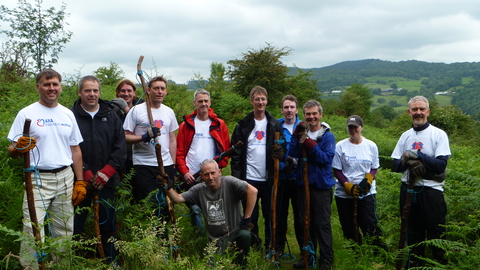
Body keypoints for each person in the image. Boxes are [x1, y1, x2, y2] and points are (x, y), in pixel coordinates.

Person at [7, 68, 84, 268]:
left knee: (64, 229)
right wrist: (18, 146)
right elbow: (11, 150)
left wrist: (80, 180)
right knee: (33, 228)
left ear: (60, 86)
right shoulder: (27, 113)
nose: (51, 88)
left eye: (55, 84)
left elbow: (75, 150)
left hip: (65, 177)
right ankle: (30, 266)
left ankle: (62, 266)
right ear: (38, 87)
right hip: (37, 177)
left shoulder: (68, 114)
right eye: (47, 84)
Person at [71, 75, 127, 264]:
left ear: (99, 92)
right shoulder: (71, 116)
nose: (92, 94)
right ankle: (76, 261)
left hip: (107, 182)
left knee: (108, 223)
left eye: (95, 90)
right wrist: (86, 173)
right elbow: (68, 148)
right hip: (80, 181)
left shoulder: (111, 116)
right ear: (80, 92)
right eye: (87, 90)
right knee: (76, 223)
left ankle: (111, 261)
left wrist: (106, 173)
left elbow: (120, 148)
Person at [162, 159, 258, 267]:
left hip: (235, 234)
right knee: (210, 266)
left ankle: (241, 264)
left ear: (219, 172)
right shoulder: (199, 189)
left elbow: (253, 191)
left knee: (245, 235)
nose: (210, 177)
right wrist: (168, 187)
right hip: (215, 241)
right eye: (206, 174)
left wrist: (246, 218)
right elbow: (177, 199)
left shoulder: (230, 182)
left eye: (213, 173)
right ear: (201, 176)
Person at [391, 96, 450, 268]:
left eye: (422, 109)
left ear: (428, 112)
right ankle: (415, 266)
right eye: (415, 109)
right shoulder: (405, 136)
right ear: (409, 112)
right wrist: (408, 162)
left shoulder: (438, 134)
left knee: (436, 235)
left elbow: (440, 166)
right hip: (408, 191)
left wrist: (418, 156)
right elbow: (395, 165)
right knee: (413, 236)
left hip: (432, 192)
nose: (418, 113)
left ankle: (439, 265)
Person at [230, 86, 284, 252]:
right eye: (257, 99)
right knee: (250, 216)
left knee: (270, 214)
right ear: (251, 101)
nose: (260, 102)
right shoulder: (243, 125)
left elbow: (282, 149)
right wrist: (238, 180)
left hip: (268, 178)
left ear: (267, 101)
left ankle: (270, 246)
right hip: (249, 179)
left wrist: (280, 153)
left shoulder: (274, 124)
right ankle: (254, 245)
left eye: (263, 99)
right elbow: (236, 155)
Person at [289, 100, 335, 270]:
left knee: (321, 224)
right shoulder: (302, 131)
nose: (311, 117)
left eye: (314, 113)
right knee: (305, 223)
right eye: (308, 114)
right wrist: (296, 136)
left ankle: (326, 261)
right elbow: (292, 153)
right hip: (303, 185)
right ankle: (308, 257)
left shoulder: (327, 136)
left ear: (320, 115)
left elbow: (325, 159)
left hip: (321, 187)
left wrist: (308, 142)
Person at [123, 76, 178, 218]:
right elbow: (125, 137)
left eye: (162, 88)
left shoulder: (169, 112)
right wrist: (144, 137)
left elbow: (172, 139)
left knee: (167, 203)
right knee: (149, 204)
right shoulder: (136, 111)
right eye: (156, 88)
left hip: (166, 164)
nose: (159, 91)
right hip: (144, 164)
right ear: (148, 90)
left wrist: (173, 164)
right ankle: (150, 236)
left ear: (166, 91)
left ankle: (166, 236)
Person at [176, 89, 230, 234]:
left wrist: (218, 170)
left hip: (211, 176)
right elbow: (179, 152)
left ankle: (217, 238)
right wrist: (185, 172)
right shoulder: (186, 125)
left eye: (206, 101)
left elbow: (225, 151)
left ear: (210, 102)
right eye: (200, 101)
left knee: (214, 209)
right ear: (194, 103)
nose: (203, 104)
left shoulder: (219, 124)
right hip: (192, 176)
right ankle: (199, 239)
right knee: (195, 209)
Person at [333, 115, 387, 250]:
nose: (353, 130)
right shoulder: (340, 146)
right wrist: (346, 185)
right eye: (350, 127)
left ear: (361, 127)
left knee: (370, 224)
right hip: (344, 194)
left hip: (366, 192)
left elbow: (374, 166)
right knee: (349, 226)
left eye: (355, 127)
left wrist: (369, 179)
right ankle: (355, 255)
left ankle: (378, 254)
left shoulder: (371, 146)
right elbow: (337, 169)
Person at [275, 94, 302, 257]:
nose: (289, 110)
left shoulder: (304, 126)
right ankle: (278, 248)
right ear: (282, 110)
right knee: (280, 215)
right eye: (286, 107)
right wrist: (283, 166)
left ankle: (303, 249)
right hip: (282, 178)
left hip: (299, 179)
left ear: (296, 109)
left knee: (300, 216)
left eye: (292, 107)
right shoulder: (276, 126)